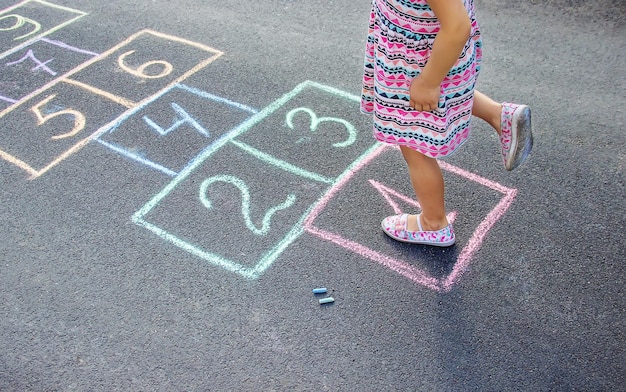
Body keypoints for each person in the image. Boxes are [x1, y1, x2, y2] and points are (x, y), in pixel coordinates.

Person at [361, 0, 533, 247]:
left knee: (414, 144)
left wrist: (428, 82)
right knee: (446, 97)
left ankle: (433, 223)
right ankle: (499, 116)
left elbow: (456, 27)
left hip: (422, 62)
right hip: (423, 51)